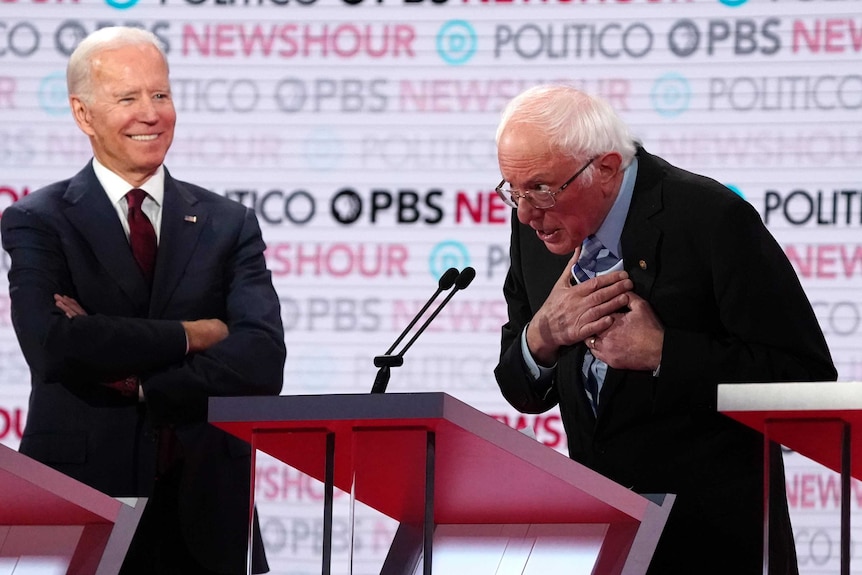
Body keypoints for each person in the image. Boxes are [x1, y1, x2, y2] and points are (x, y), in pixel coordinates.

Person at [493, 85, 836, 575]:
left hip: (715, 548)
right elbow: (521, 389)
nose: (526, 213)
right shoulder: (538, 231)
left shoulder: (711, 218)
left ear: (606, 168)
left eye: (542, 190)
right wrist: (542, 335)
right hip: (601, 545)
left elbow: (805, 384)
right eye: (513, 190)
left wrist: (664, 354)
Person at [1, 27, 285, 574]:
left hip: (207, 507)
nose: (150, 114)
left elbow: (261, 360)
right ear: (83, 114)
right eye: (127, 98)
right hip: (83, 498)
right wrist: (195, 334)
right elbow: (55, 344)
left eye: (160, 95)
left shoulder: (229, 224)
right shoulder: (39, 220)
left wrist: (138, 381)